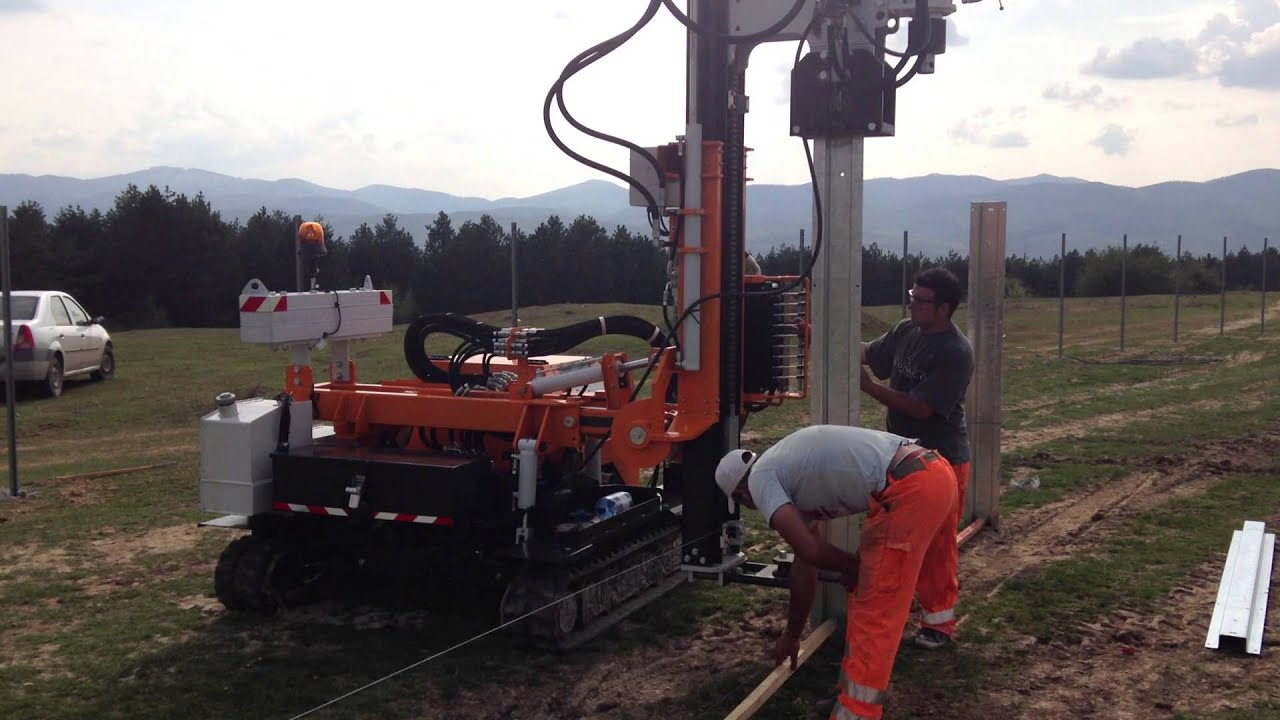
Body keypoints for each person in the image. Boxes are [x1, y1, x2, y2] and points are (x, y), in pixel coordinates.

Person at [716, 425, 958, 720]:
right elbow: (807, 564)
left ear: (740, 493)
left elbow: (811, 551)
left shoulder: (760, 480)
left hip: (910, 489)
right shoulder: (785, 467)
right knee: (934, 562)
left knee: (874, 609)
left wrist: (855, 568)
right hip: (935, 469)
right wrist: (792, 636)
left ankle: (856, 712)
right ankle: (938, 625)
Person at [859, 266, 974, 650]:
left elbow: (921, 408)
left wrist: (871, 389)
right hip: (901, 458)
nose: (912, 305)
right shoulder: (908, 331)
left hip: (943, 461)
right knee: (891, 535)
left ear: (944, 309)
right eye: (912, 296)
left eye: (920, 301)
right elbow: (869, 353)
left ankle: (938, 626)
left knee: (938, 548)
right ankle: (897, 604)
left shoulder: (956, 354)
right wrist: (816, 334)